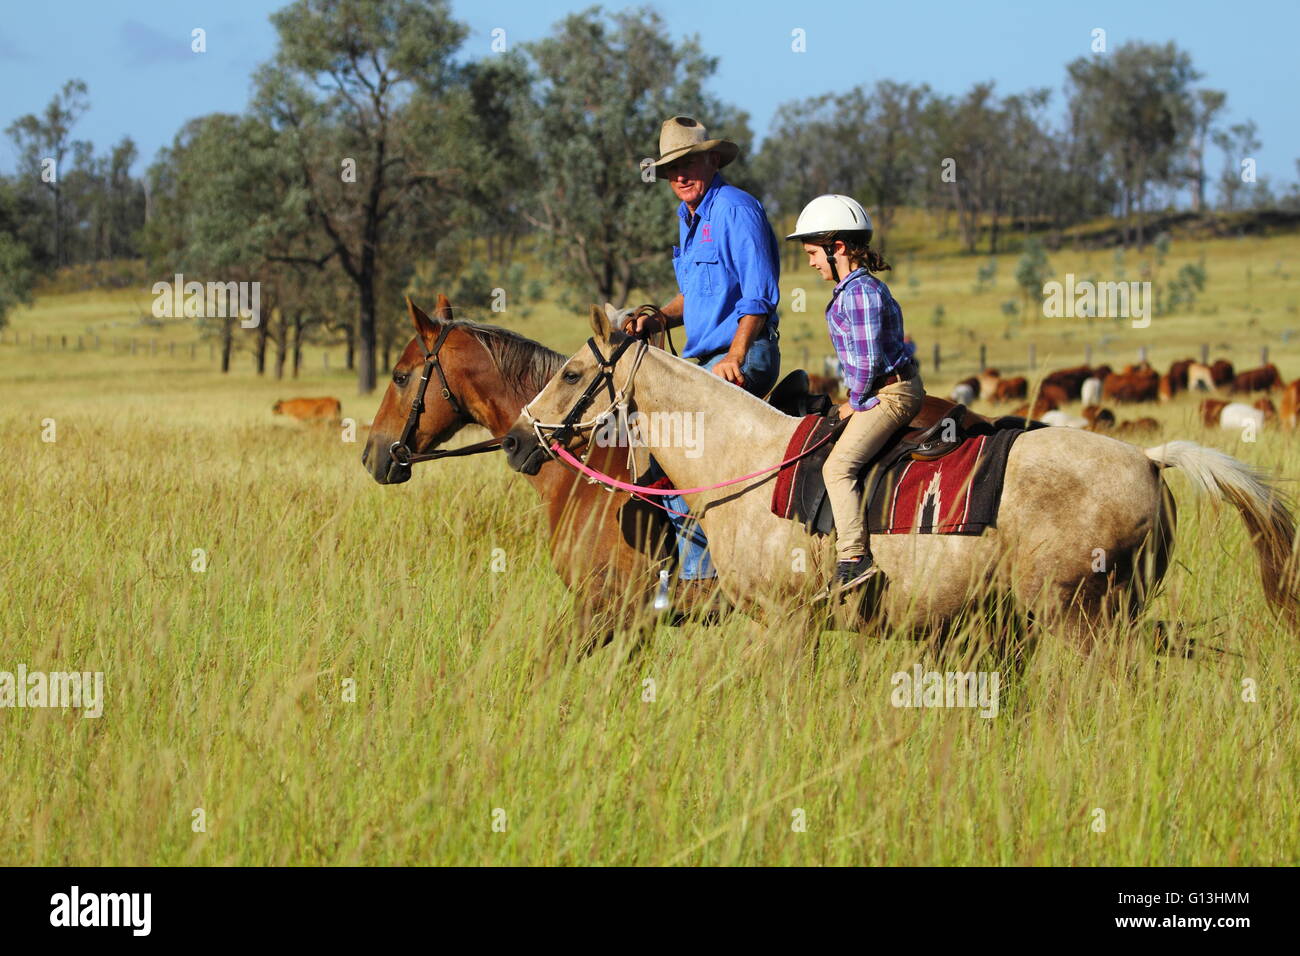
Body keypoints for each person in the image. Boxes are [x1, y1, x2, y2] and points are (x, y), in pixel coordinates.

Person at [623, 115, 782, 585]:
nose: (680, 175)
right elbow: (696, 295)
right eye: (671, 168)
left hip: (742, 356)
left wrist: (734, 356)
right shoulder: (690, 219)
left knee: (679, 458)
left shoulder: (736, 209)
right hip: (706, 361)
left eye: (689, 162)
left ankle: (703, 583)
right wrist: (657, 318)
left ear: (712, 159)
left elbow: (759, 294)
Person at [786, 194, 924, 594]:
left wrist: (856, 402)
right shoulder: (856, 289)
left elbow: (864, 364)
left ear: (839, 248)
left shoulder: (858, 294)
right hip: (886, 387)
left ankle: (853, 558)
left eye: (814, 252)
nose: (811, 262)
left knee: (838, 467)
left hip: (890, 394)